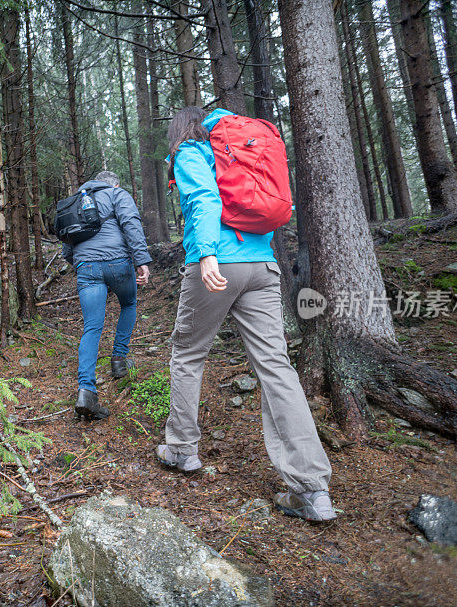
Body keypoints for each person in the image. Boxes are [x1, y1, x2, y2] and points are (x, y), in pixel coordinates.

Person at [157, 107, 336, 522]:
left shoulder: (192, 151)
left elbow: (202, 200)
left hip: (219, 263)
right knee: (276, 366)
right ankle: (312, 489)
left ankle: (182, 448)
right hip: (263, 265)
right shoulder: (243, 147)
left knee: (188, 354)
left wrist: (205, 254)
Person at [62, 171, 151, 420]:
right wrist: (141, 260)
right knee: (129, 303)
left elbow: (67, 242)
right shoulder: (116, 194)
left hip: (86, 267)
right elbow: (131, 223)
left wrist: (80, 262)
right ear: (115, 183)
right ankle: (119, 361)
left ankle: (86, 391)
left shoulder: (77, 200)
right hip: (118, 262)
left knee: (91, 328)